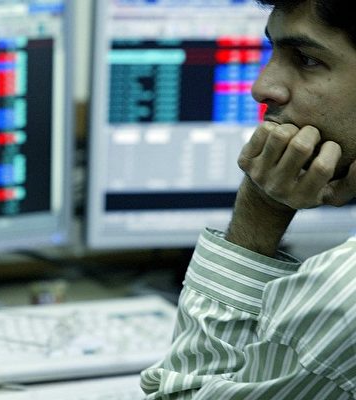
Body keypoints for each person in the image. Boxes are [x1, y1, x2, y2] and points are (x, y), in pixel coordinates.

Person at [140, 0, 356, 398]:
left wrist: (262, 206)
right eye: (273, 50)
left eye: (307, 59)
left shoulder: (345, 293)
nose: (262, 87)